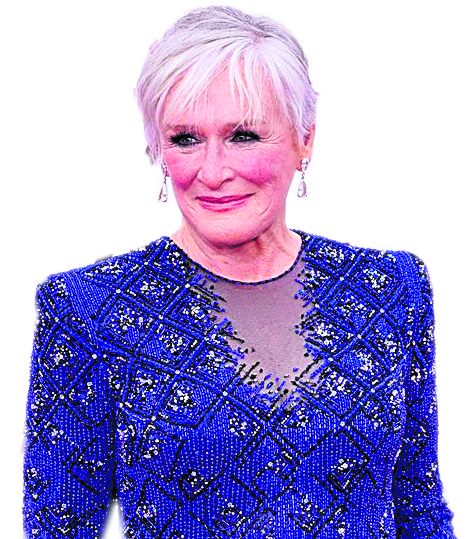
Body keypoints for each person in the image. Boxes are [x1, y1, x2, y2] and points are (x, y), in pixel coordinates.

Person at [22, 5, 457, 538]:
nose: (213, 171)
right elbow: (60, 527)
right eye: (185, 139)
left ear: (305, 139)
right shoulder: (87, 309)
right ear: (159, 149)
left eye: (244, 135)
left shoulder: (391, 288)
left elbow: (419, 507)